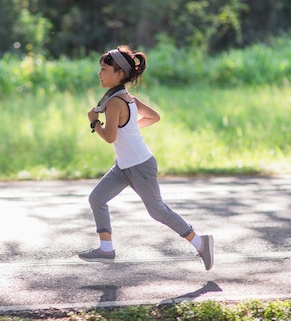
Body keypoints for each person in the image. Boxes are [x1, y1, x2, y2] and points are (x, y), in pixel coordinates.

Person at [78, 45, 214, 270]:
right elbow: (154, 117)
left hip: (140, 166)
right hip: (124, 165)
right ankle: (106, 249)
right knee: (97, 199)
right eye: (100, 69)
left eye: (104, 69)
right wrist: (131, 130)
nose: (99, 73)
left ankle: (201, 243)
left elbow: (110, 137)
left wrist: (94, 121)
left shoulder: (114, 102)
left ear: (119, 74)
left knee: (158, 211)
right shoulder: (129, 98)